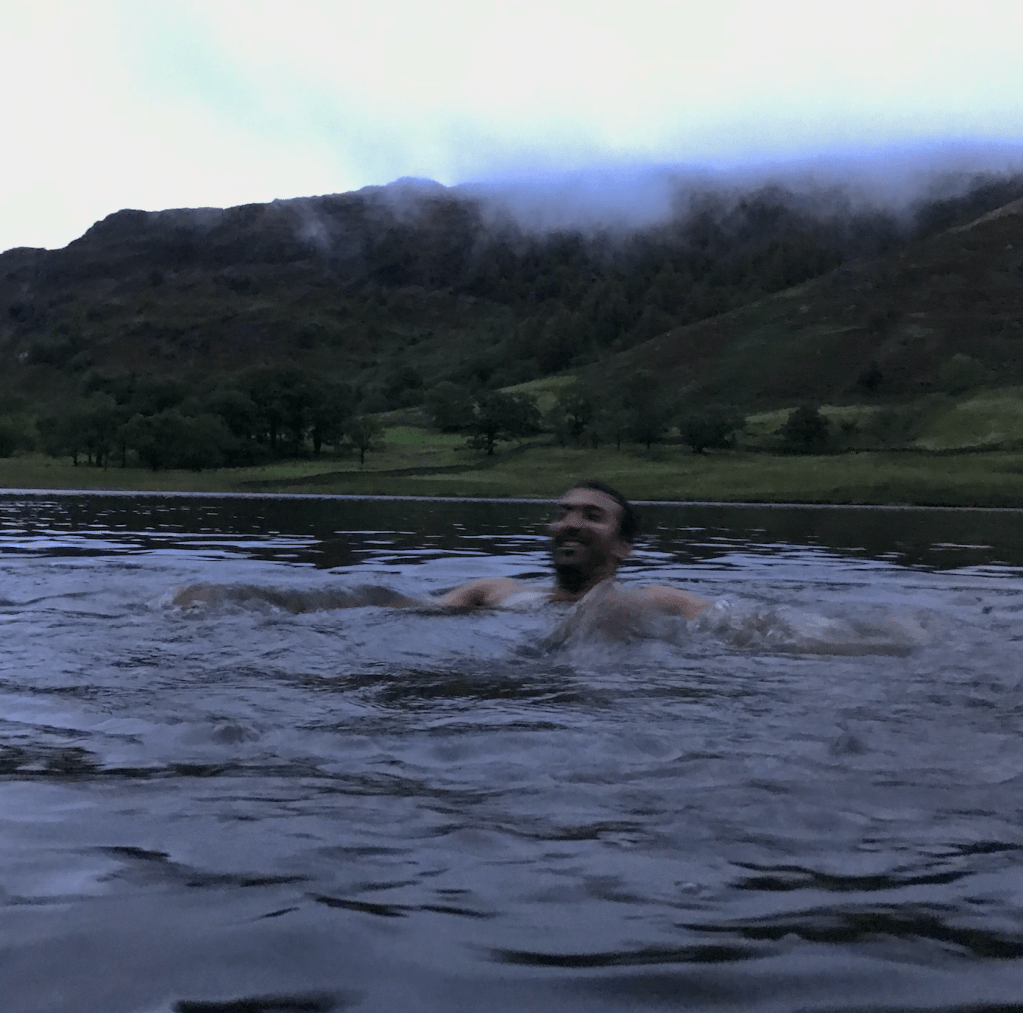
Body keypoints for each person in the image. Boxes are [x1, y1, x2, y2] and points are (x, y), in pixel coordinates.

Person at [438, 480, 709, 618]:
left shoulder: (654, 601)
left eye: (593, 516)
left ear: (623, 547)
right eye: (562, 514)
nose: (571, 525)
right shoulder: (493, 592)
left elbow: (741, 631)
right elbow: (410, 610)